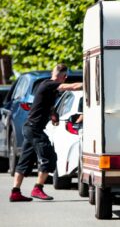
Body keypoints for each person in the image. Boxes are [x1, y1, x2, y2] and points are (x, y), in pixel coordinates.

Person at [9, 64, 83, 202]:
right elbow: (72, 87)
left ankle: (15, 192)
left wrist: (53, 114)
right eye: (64, 77)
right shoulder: (50, 84)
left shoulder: (48, 87)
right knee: (49, 157)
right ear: (64, 76)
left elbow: (45, 104)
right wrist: (90, 82)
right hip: (34, 129)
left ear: (52, 72)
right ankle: (38, 188)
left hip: (30, 128)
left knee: (25, 161)